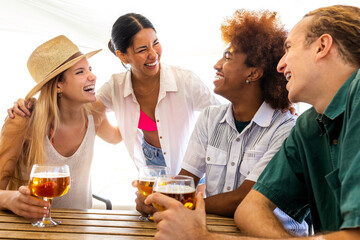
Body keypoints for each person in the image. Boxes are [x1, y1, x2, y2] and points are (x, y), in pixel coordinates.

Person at [145, 4, 360, 239]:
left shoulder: (301, 120)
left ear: (322, 46)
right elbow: (249, 208)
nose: (281, 65)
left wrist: (200, 232)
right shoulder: (308, 127)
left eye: (289, 48)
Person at [9, 13, 219, 176]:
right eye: (142, 49)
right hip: (151, 169)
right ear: (123, 56)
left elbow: (221, 119)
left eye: (155, 43)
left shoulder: (185, 80)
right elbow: (79, 108)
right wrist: (31, 105)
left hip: (190, 164)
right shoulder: (115, 88)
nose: (153, 54)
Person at [0, 35, 121, 219]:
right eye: (80, 72)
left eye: (90, 68)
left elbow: (116, 137)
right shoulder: (23, 120)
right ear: (58, 85)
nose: (92, 76)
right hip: (30, 229)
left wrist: (141, 100)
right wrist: (10, 199)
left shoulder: (94, 115)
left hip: (79, 229)